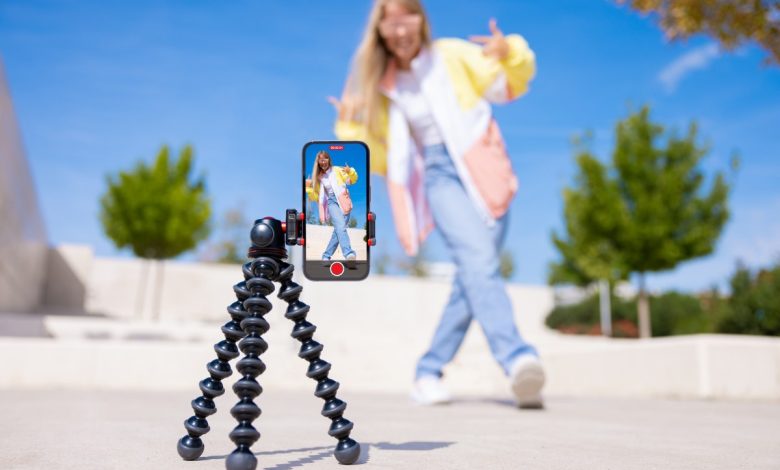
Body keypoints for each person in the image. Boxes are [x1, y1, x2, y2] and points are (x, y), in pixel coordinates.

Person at [329, 0, 545, 407]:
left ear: (420, 21)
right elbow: (379, 158)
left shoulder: (452, 55)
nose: (400, 28)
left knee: (473, 277)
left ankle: (428, 370)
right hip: (439, 176)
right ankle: (518, 358)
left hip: (485, 169)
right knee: (479, 263)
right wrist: (350, 127)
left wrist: (510, 51)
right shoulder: (383, 87)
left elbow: (509, 84)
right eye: (390, 21)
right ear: (380, 31)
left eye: (407, 16)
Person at [306, 150, 359, 264]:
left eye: (325, 159)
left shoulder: (337, 170)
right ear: (318, 162)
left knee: (338, 231)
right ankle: (349, 253)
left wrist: (351, 172)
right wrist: (309, 188)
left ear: (329, 160)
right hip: (331, 202)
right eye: (321, 160)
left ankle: (326, 256)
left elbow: (351, 181)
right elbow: (316, 197)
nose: (323, 162)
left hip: (343, 200)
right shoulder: (319, 177)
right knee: (340, 226)